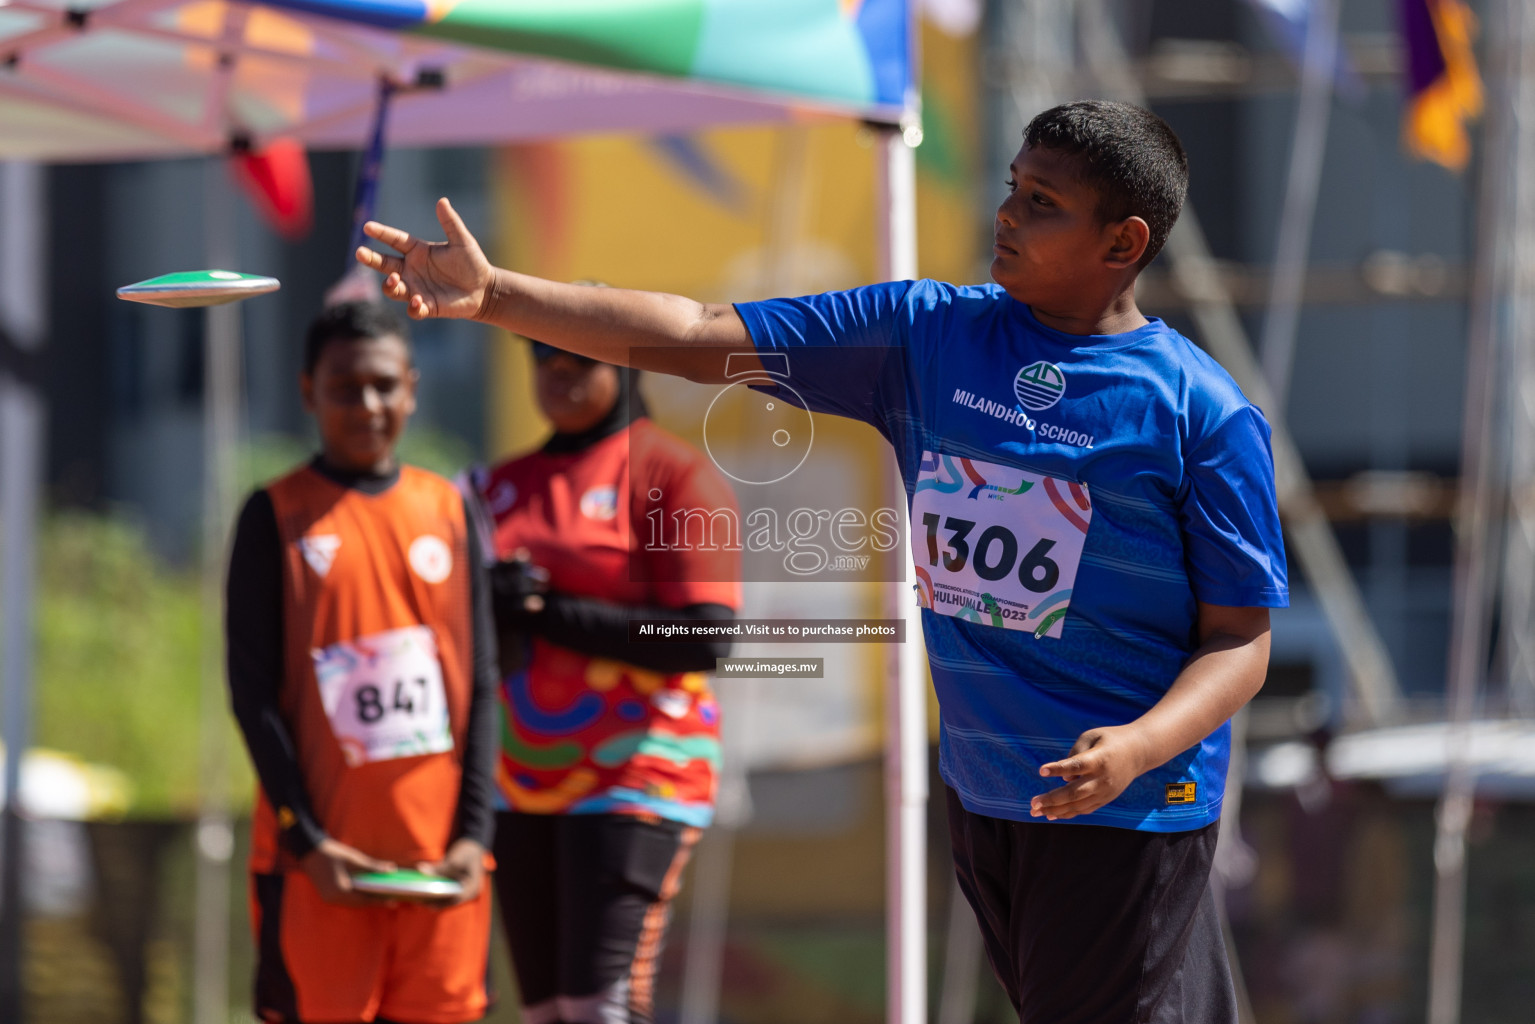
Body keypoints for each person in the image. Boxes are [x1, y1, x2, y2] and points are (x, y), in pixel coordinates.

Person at [356, 99, 1288, 1023]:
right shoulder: (927, 335)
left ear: (1122, 244)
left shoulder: (1197, 412)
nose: (1006, 213)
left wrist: (1138, 748)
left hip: (1124, 804)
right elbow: (690, 333)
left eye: (1042, 203)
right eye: (1011, 187)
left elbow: (1241, 640)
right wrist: (494, 295)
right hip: (989, 795)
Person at [226, 301, 499, 1024]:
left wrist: (475, 836)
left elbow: (482, 686)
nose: (368, 405)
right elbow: (249, 695)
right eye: (345, 387)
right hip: (318, 873)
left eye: (383, 385)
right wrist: (308, 841)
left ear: (411, 386)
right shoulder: (273, 515)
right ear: (308, 390)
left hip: (440, 870)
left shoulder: (449, 510)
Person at [467, 336, 742, 1024]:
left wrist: (546, 611)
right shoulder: (493, 485)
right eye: (541, 360)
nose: (557, 376)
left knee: (600, 1009)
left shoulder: (672, 473)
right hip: (516, 779)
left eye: (578, 361)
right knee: (547, 1012)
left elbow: (705, 637)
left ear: (621, 367)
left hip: (636, 774)